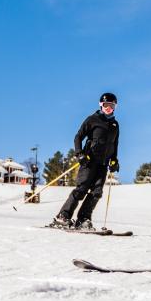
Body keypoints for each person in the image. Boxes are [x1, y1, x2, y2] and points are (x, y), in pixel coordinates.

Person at [51, 93, 120, 231]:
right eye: (106, 105)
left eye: (111, 105)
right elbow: (78, 137)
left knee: (97, 192)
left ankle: (83, 219)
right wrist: (80, 154)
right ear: (101, 105)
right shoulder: (92, 119)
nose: (108, 108)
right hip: (89, 161)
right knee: (81, 189)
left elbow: (115, 144)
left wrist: (114, 160)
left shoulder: (114, 125)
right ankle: (63, 216)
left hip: (103, 164)